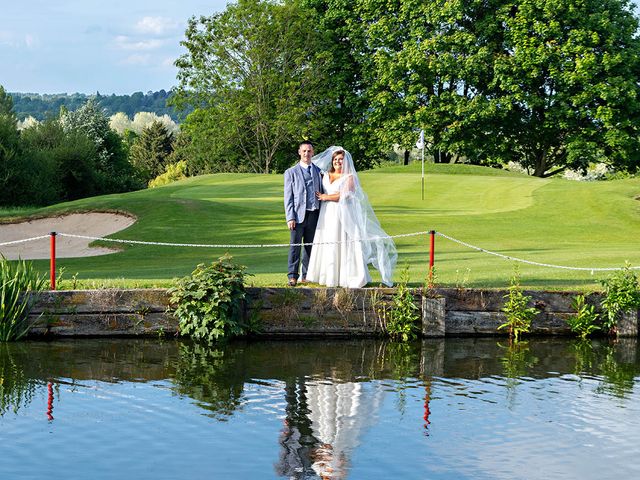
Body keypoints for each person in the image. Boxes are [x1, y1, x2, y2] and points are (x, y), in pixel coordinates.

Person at [306, 146, 397, 288]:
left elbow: (345, 194)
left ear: (346, 161)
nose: (337, 162)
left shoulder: (350, 177)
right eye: (335, 159)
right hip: (326, 213)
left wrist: (326, 196)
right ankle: (326, 275)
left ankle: (348, 277)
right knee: (327, 240)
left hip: (342, 213)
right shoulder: (325, 174)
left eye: (340, 159)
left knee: (343, 240)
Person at [284, 140, 323, 286]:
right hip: (298, 215)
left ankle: (306, 275)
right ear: (299, 152)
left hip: (314, 214)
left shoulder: (318, 171)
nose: (307, 153)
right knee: (295, 246)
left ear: (313, 153)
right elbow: (288, 197)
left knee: (309, 246)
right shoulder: (291, 172)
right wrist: (290, 217)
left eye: (309, 151)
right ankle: (292, 276)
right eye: (304, 151)